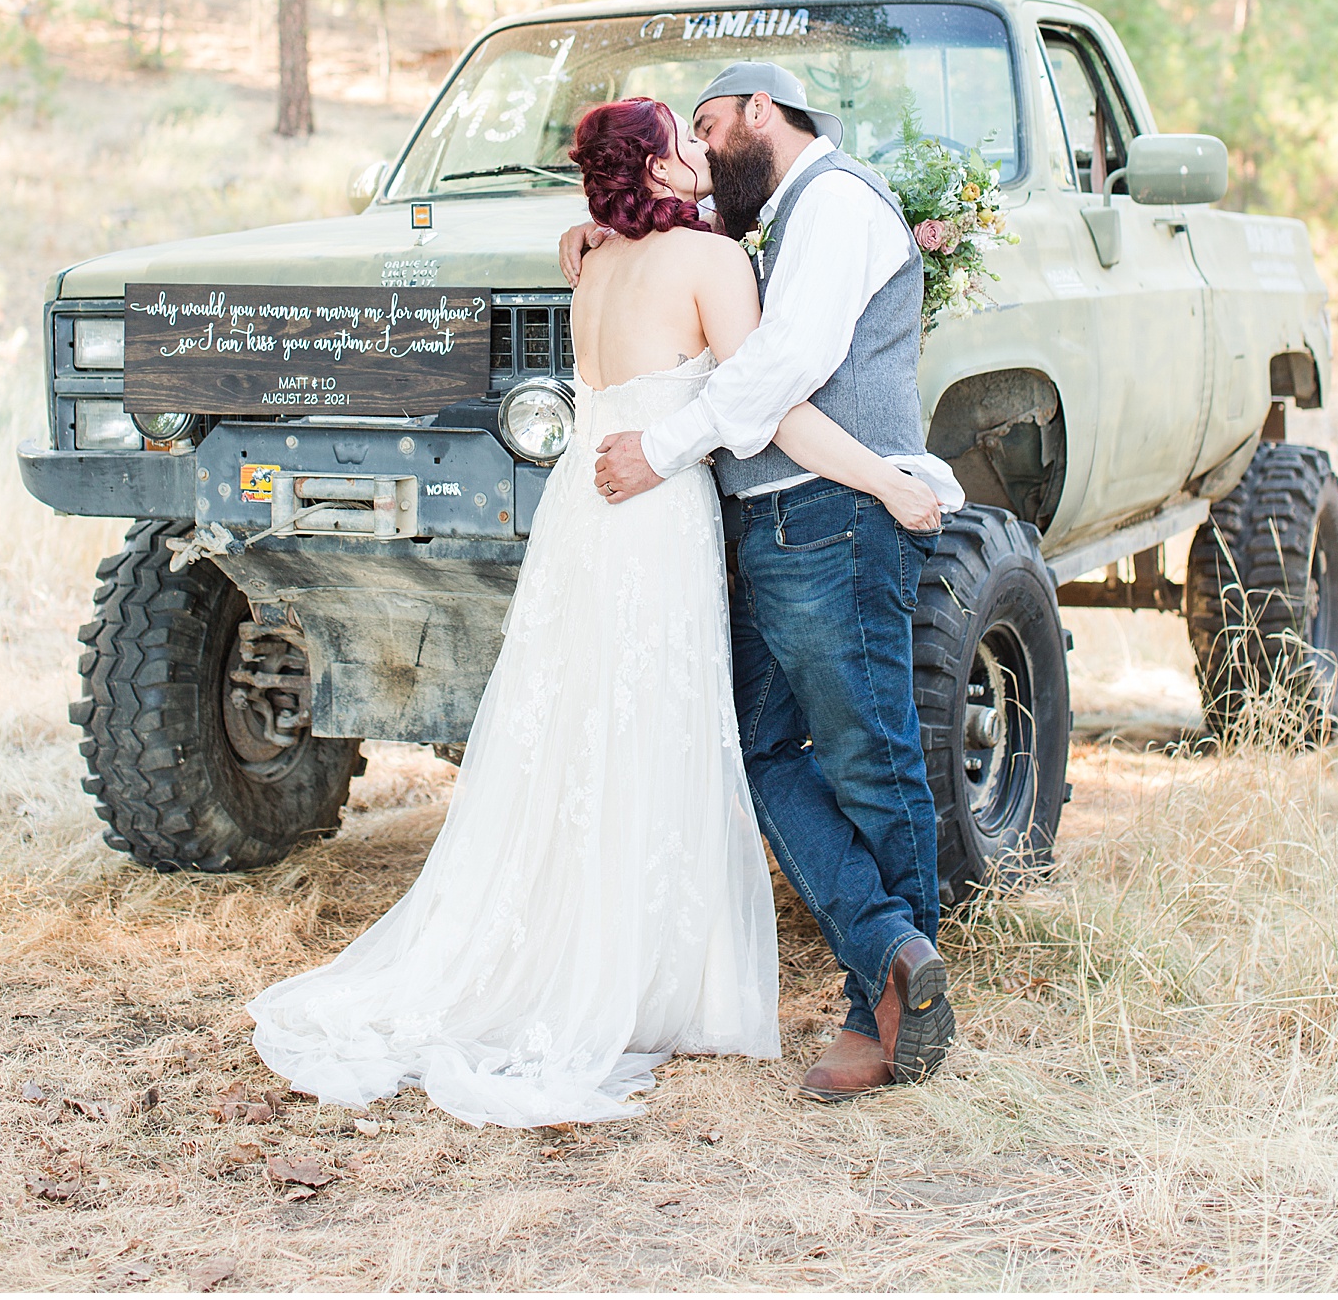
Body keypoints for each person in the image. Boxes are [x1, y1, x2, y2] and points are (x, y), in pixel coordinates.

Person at [248, 97, 930, 1128]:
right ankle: (690, 969)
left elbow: (634, 312)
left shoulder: (590, 262)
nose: (704, 156)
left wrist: (594, 223)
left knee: (584, 730)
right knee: (668, 728)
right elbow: (774, 401)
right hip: (656, 511)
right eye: (686, 143)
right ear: (657, 168)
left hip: (586, 509)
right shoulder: (712, 263)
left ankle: (597, 952)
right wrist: (889, 481)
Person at [564, 62, 963, 1101]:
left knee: (870, 757)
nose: (700, 151)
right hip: (775, 522)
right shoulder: (774, 220)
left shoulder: (833, 202)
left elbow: (783, 361)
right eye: (678, 137)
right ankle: (890, 952)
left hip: (829, 520)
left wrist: (665, 444)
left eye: (708, 124)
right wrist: (604, 232)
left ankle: (884, 1012)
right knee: (758, 747)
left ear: (759, 112)